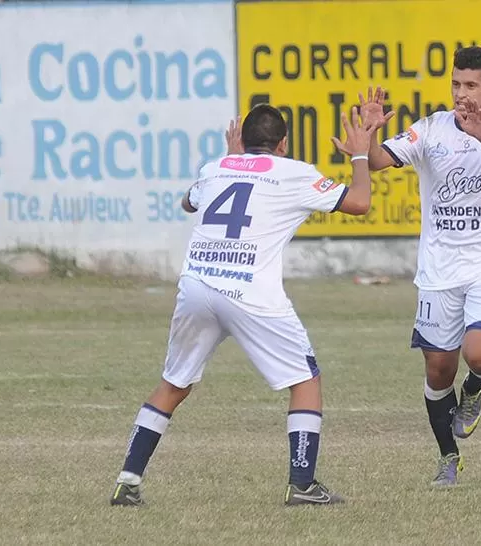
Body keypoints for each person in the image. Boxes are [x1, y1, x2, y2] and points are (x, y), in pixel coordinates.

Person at [109, 103, 380, 507]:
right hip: (249, 291)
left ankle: (127, 481)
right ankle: (302, 485)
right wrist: (360, 153)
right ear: (283, 143)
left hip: (198, 284)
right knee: (305, 381)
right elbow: (359, 202)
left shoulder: (215, 167)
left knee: (173, 383)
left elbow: (189, 203)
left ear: (243, 140)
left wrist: (230, 159)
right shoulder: (294, 172)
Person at [357, 46, 481, 486]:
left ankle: (473, 393)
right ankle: (448, 457)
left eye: (471, 85)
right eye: (456, 84)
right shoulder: (432, 128)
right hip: (440, 268)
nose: (461, 93)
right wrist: (369, 136)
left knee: (480, 353)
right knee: (439, 370)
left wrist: (480, 136)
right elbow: (379, 162)